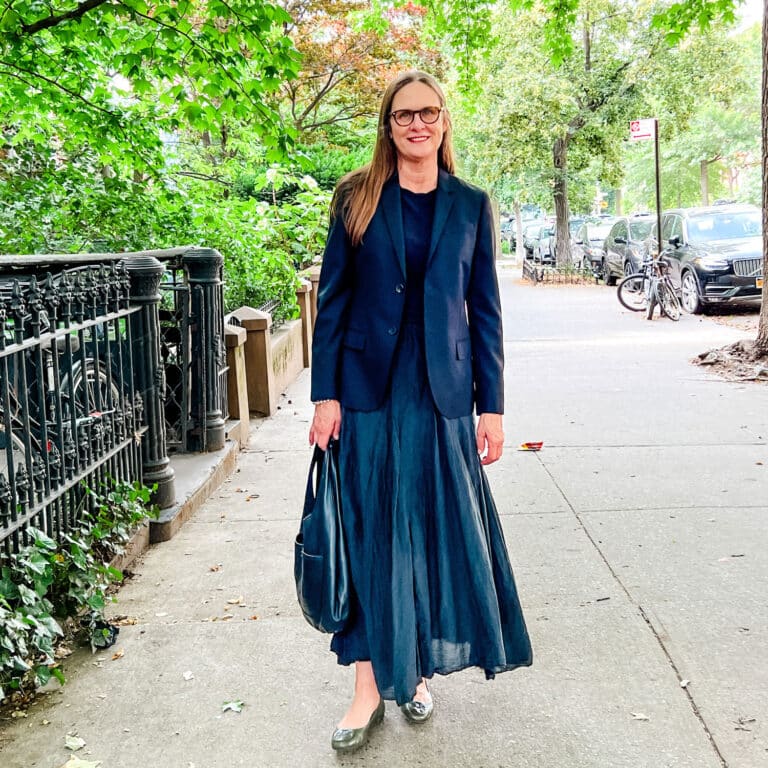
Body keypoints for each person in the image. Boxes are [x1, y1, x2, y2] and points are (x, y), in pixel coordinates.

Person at [308, 70, 532, 754]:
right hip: (366, 394)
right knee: (373, 532)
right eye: (404, 114)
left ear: (443, 122)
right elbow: (335, 301)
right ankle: (369, 686)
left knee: (430, 534)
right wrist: (324, 394)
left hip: (442, 396)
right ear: (389, 124)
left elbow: (485, 312)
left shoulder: (470, 204)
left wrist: (491, 407)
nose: (417, 123)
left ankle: (418, 669)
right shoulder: (357, 197)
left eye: (428, 112)